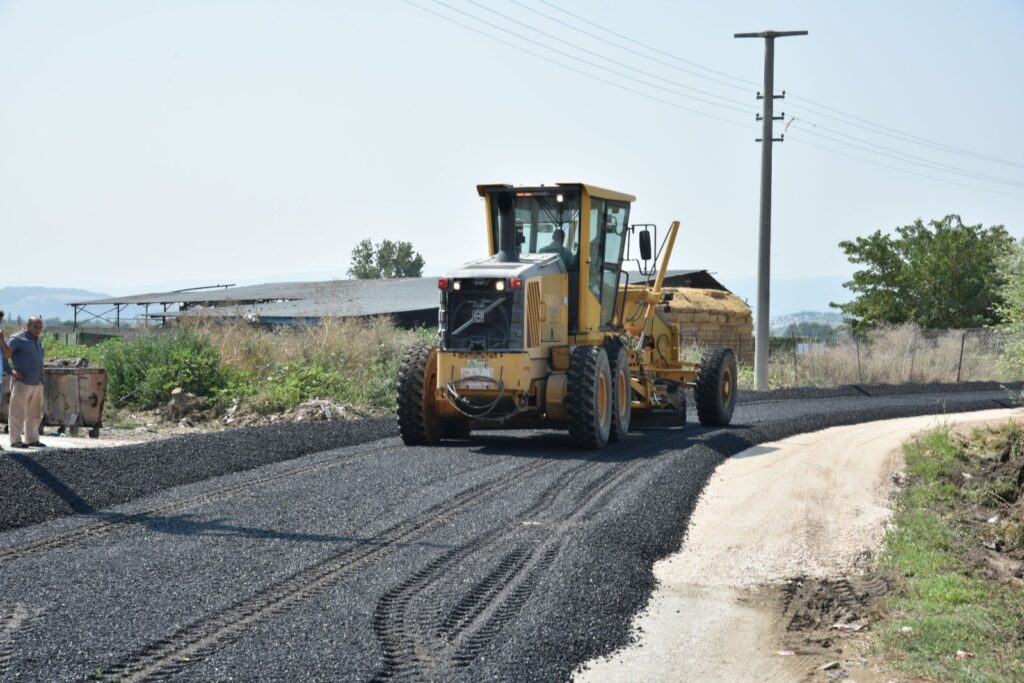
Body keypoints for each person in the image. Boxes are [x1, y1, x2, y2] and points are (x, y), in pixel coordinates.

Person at [7, 317, 46, 448]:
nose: (38, 330)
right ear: (27, 325)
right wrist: (11, 371)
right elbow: (4, 354)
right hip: (22, 382)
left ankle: (32, 439)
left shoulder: (38, 340)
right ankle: (15, 440)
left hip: (37, 382)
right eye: (35, 327)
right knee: (17, 413)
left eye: (40, 327)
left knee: (35, 414)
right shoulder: (17, 339)